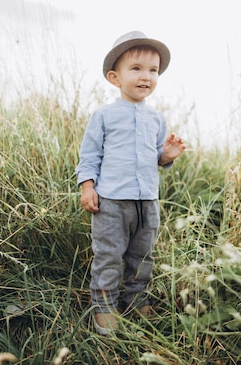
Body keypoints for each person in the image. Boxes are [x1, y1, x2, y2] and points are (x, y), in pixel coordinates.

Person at [75, 30, 186, 334]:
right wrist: (87, 186)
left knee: (141, 256)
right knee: (109, 257)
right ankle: (105, 306)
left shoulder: (157, 119)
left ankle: (137, 300)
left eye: (153, 70)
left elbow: (156, 160)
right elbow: (90, 155)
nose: (145, 76)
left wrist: (167, 155)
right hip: (111, 202)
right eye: (136, 69)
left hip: (147, 202)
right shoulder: (104, 116)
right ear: (115, 77)